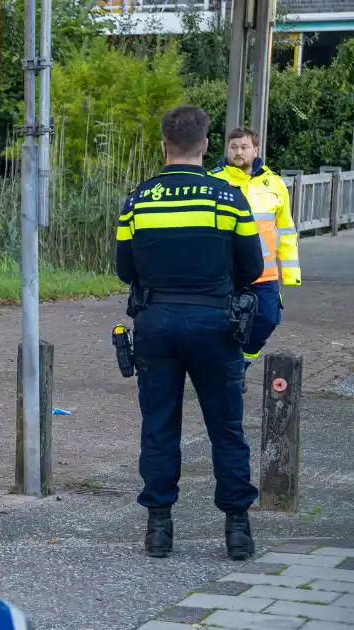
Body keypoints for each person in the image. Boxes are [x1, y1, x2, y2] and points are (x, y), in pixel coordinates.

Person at [115, 104, 264, 560]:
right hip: (215, 325)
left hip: (156, 324)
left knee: (159, 427)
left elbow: (125, 271)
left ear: (164, 146)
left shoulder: (137, 200)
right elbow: (253, 267)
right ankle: (237, 529)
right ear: (205, 145)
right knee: (226, 427)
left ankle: (158, 529)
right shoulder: (227, 198)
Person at [209, 128, 302, 391]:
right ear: (227, 150)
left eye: (244, 147)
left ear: (256, 150)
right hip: (225, 272)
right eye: (234, 147)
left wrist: (292, 271)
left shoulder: (274, 184)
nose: (239, 152)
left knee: (267, 320)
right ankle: (226, 372)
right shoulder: (213, 182)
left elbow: (286, 230)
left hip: (265, 273)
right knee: (223, 325)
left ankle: (238, 366)